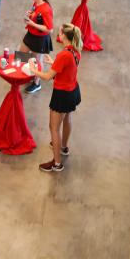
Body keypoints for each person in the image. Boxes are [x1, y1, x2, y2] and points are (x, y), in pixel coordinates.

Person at [28, 23, 83, 172]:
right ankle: (64, 147)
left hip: (62, 94)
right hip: (72, 91)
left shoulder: (63, 54)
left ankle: (57, 163)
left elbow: (46, 77)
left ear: (64, 36)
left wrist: (34, 70)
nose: (58, 34)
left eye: (60, 32)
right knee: (67, 119)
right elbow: (67, 68)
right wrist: (54, 63)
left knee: (53, 128)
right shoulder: (75, 50)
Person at [20, 0, 54, 94]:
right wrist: (29, 14)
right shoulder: (35, 3)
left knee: (37, 61)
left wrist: (33, 24)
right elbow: (36, 16)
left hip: (40, 39)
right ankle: (28, 74)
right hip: (31, 34)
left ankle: (36, 82)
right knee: (22, 54)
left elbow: (50, 29)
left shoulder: (46, 9)